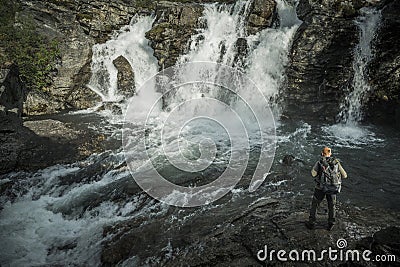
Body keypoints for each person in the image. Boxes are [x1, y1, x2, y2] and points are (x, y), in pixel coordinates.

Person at [306, 147, 347, 230]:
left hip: (320, 188)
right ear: (330, 153)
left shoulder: (320, 162)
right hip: (332, 187)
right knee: (332, 206)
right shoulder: (336, 162)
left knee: (315, 204)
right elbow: (345, 175)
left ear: (322, 154)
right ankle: (331, 223)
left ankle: (311, 223)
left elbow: (313, 174)